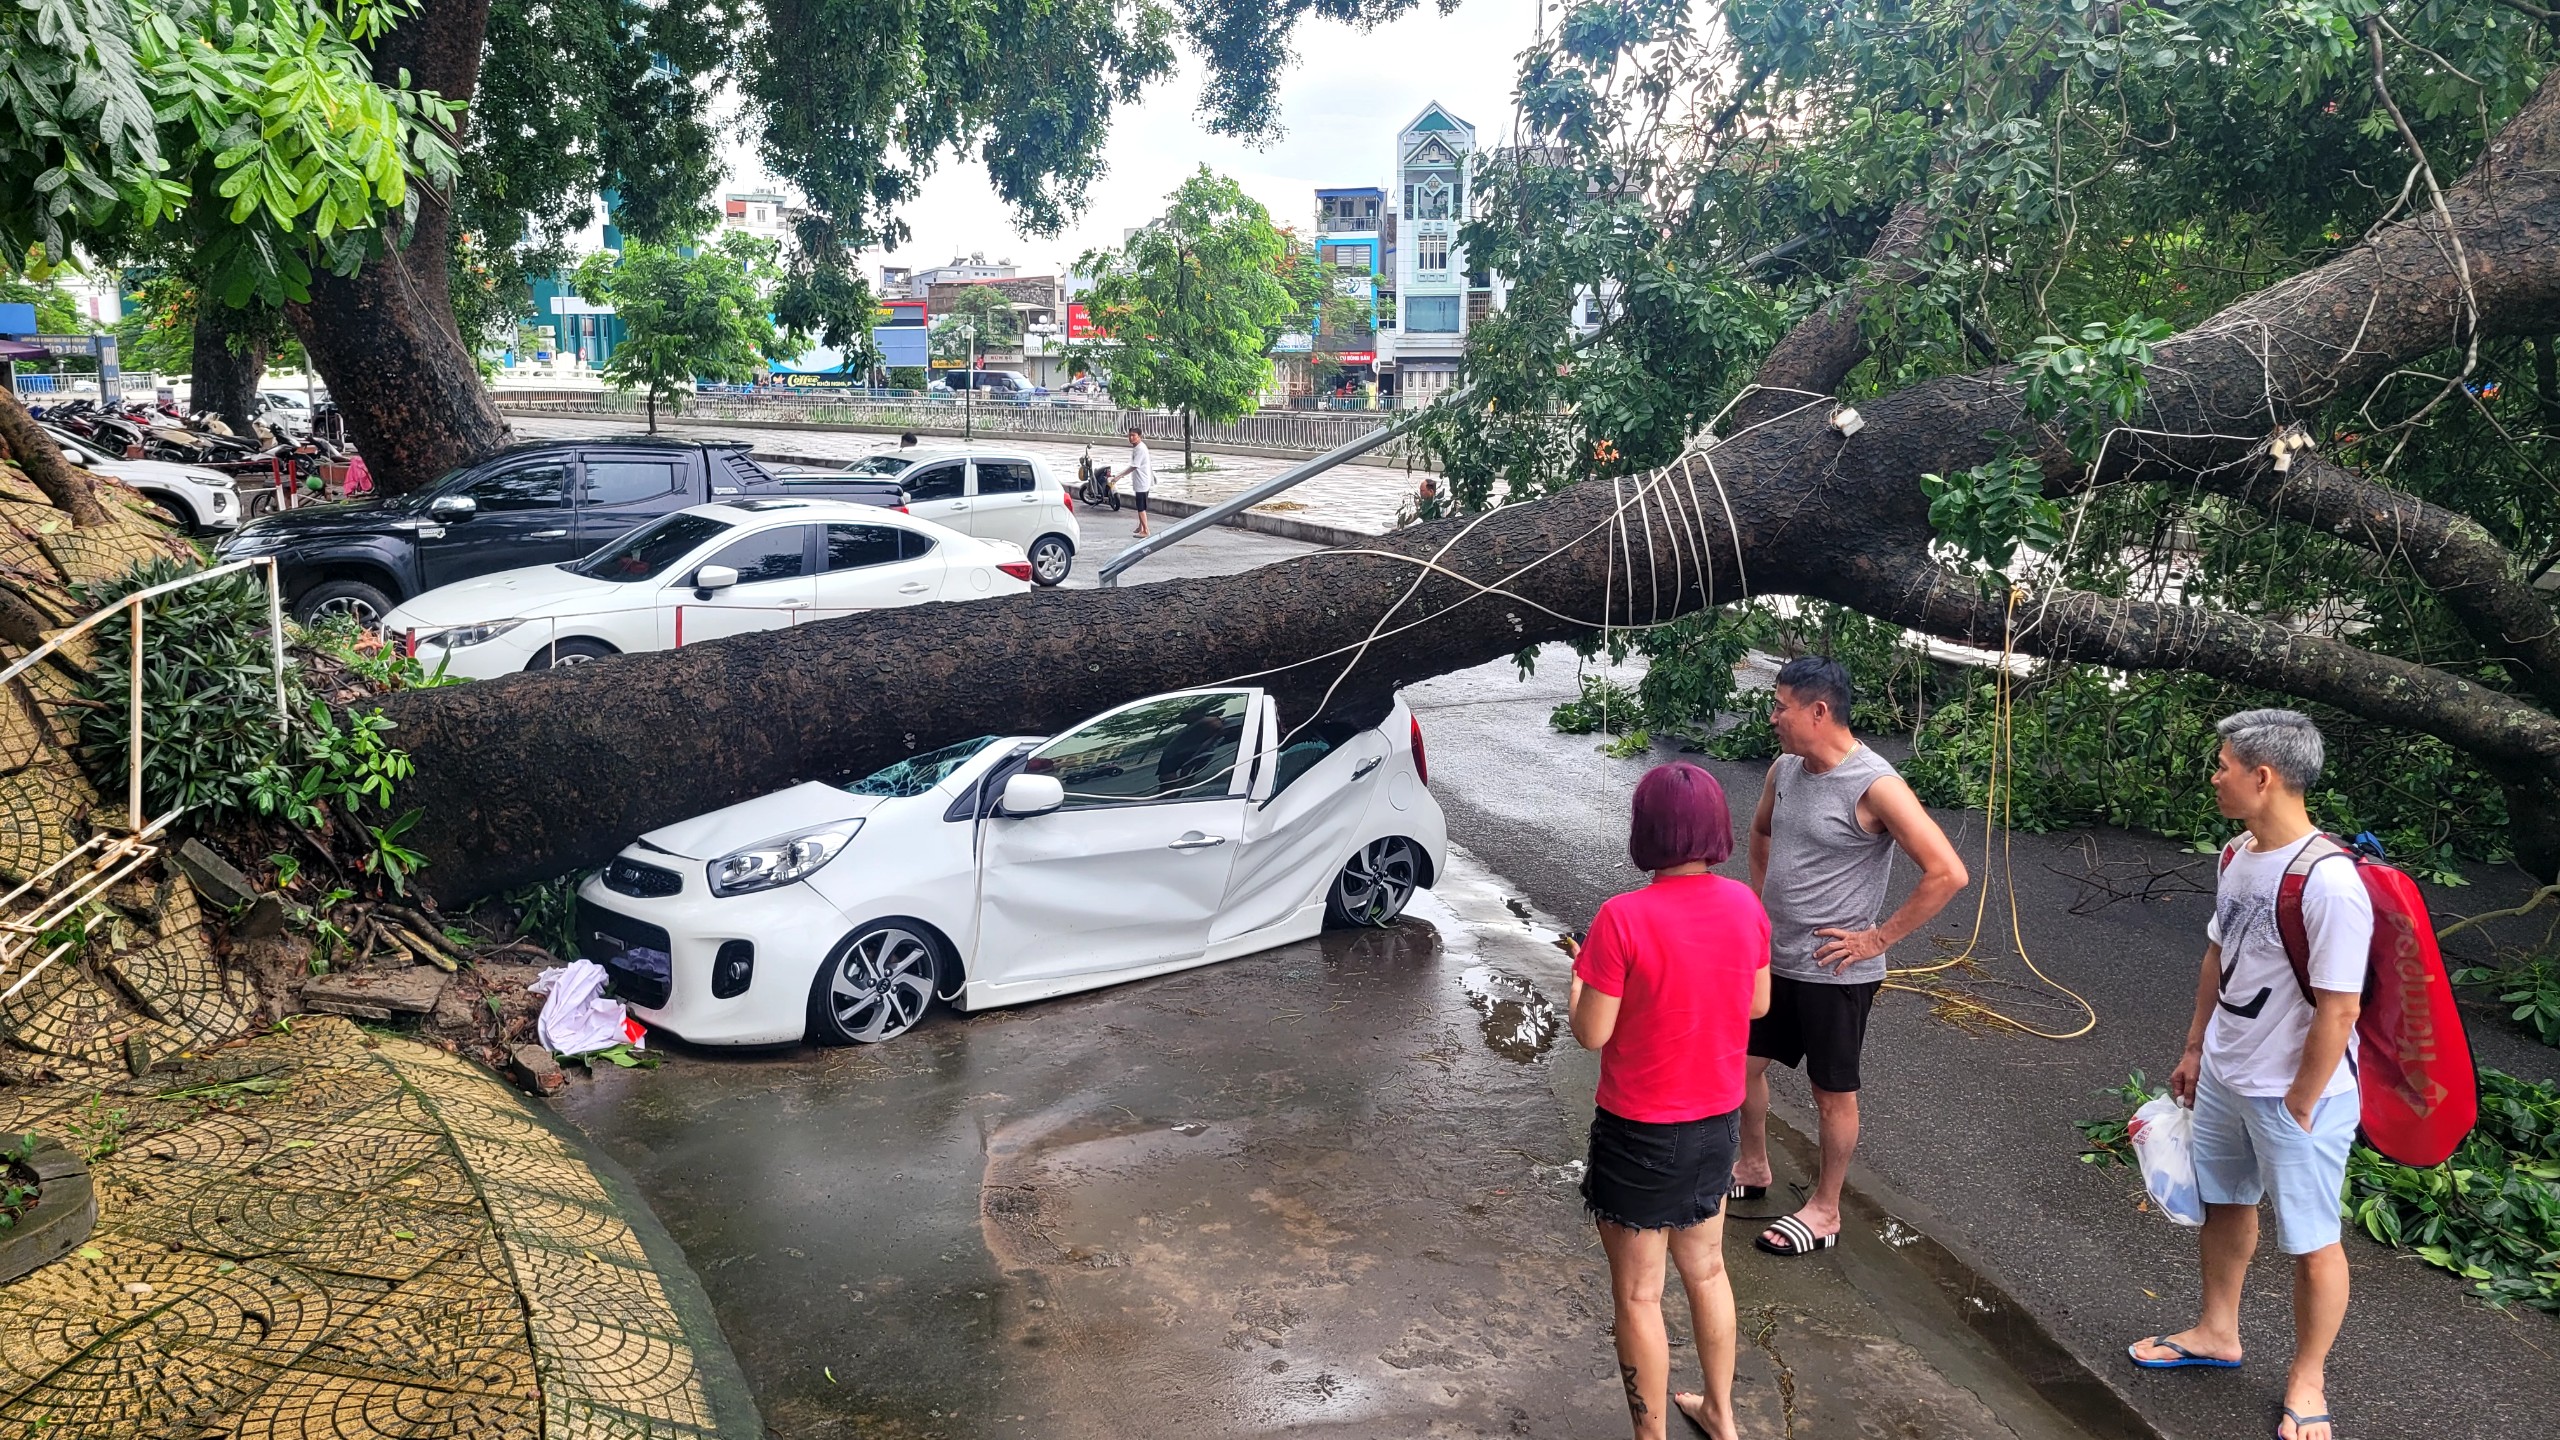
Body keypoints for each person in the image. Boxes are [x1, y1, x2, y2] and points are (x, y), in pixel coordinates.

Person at [2127, 710, 2369, 1440]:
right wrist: (2197, 1048)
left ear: (2262, 777)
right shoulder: (2237, 854)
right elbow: (2219, 957)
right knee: (2226, 1201)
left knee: (2312, 1238)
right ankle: (2217, 1331)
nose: (2216, 775)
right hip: (2230, 1073)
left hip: (2298, 1096)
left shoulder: (2329, 883)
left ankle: (2307, 1376)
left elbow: (2341, 1009)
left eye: (2224, 764)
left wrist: (2300, 1100)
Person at [1735, 655, 1967, 1257]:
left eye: (1781, 706)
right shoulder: (1784, 770)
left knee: (1830, 1093)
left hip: (1836, 973)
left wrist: (1875, 939)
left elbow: (1947, 874)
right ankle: (1752, 1166)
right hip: (1774, 958)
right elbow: (1760, 833)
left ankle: (1825, 1209)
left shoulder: (1876, 785)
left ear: (1818, 711)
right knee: (1742, 1067)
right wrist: (1758, 905)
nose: (1773, 717)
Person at [1569, 763, 1772, 1440]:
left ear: (1645, 831)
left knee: (1638, 1294)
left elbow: (1591, 1032)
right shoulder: (1746, 904)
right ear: (1715, 829)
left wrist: (1577, 980)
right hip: (1717, 1124)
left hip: (1640, 1134)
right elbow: (1758, 1002)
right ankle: (1721, 1413)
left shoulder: (1621, 918)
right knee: (1708, 1270)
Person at [1126, 426, 1154, 538]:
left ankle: (1146, 530)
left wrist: (1119, 476)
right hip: (1142, 481)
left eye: (1134, 436)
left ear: (1139, 437)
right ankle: (1141, 526)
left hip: (1142, 482)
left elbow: (1134, 466)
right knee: (1141, 505)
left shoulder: (1140, 449)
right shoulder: (1138, 447)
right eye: (1130, 435)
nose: (1131, 438)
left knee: (1140, 506)